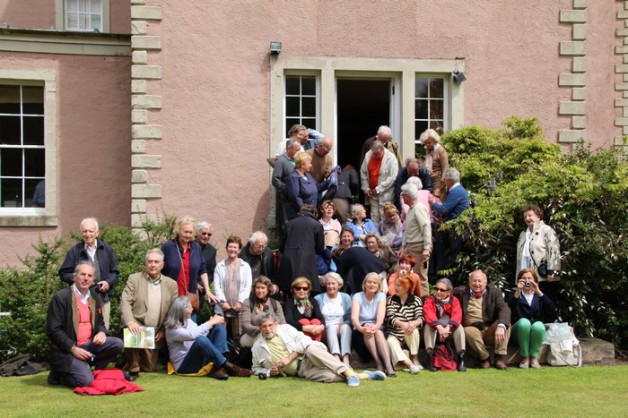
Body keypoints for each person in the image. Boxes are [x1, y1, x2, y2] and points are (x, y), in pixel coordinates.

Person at [252, 312, 385, 385]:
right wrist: (269, 372)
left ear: (276, 324)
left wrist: (288, 359)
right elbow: (255, 368)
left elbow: (304, 340)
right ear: (260, 328)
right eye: (264, 326)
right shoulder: (257, 346)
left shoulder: (285, 329)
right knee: (329, 376)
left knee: (310, 348)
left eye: (270, 325)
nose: (268, 329)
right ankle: (363, 375)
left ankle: (348, 372)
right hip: (301, 372)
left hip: (306, 357)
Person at [47, 261, 123, 387]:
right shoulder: (61, 298)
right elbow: (53, 330)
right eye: (83, 274)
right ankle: (59, 375)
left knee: (117, 344)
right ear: (74, 277)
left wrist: (101, 332)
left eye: (89, 275)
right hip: (68, 351)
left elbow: (100, 322)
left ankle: (91, 368)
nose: (86, 278)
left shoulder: (94, 296)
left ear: (93, 280)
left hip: (89, 346)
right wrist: (73, 348)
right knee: (87, 382)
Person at [119, 248, 178, 380]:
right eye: (150, 261)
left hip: (155, 330)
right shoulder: (134, 279)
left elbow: (173, 311)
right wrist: (130, 322)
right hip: (137, 324)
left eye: (156, 262)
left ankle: (126, 359)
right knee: (133, 335)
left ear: (162, 265)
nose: (152, 265)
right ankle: (133, 368)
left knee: (150, 367)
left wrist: (164, 330)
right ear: (146, 263)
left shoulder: (171, 284)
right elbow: (125, 301)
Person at [164, 296, 252, 379]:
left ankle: (216, 368)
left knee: (220, 328)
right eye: (190, 307)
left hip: (199, 359)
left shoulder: (188, 320)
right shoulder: (172, 329)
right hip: (184, 366)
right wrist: (210, 322)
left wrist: (212, 323)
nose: (192, 308)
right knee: (200, 340)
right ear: (183, 310)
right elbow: (192, 335)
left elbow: (201, 334)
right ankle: (230, 367)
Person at [59, 217, 119, 329]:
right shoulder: (74, 251)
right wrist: (78, 278)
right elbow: (63, 274)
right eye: (85, 231)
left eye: (91, 231)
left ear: (97, 232)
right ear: (81, 232)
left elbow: (115, 272)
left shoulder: (107, 249)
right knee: (82, 328)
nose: (88, 234)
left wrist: (108, 282)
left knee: (102, 329)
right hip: (80, 298)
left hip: (102, 297)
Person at [162, 217, 219, 320]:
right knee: (172, 327)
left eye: (190, 232)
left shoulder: (196, 247)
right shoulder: (168, 247)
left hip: (190, 299)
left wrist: (207, 290)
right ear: (179, 230)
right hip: (171, 298)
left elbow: (203, 269)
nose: (188, 235)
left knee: (190, 328)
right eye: (185, 232)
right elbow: (160, 269)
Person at [454, 270, 511, 369]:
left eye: (479, 281)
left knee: (505, 323)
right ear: (469, 282)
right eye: (474, 281)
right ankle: (485, 358)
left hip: (489, 329)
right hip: (472, 329)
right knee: (467, 331)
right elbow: (444, 291)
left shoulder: (494, 292)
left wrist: (501, 326)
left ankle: (499, 357)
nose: (477, 284)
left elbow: (504, 308)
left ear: (485, 282)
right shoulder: (462, 292)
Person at [509, 268, 557, 369]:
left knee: (538, 325)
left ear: (535, 281)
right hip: (518, 331)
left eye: (529, 278)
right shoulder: (514, 294)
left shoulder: (539, 295)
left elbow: (552, 310)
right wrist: (517, 292)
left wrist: (539, 292)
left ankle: (534, 358)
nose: (527, 281)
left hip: (536, 331)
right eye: (524, 278)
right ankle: (525, 357)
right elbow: (508, 311)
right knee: (524, 323)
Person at [351, 273, 396, 377]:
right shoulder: (357, 296)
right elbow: (354, 318)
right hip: (360, 330)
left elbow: (380, 317)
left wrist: (375, 327)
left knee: (378, 333)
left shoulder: (381, 296)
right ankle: (378, 362)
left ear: (378, 285)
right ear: (364, 284)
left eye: (375, 283)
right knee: (368, 330)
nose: (372, 284)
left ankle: (388, 365)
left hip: (377, 327)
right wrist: (362, 329)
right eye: (369, 282)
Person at [429, 168, 470, 281]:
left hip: (456, 228)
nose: (444, 182)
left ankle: (451, 279)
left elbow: (444, 209)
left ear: (449, 180)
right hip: (454, 227)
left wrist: (433, 203)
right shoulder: (459, 190)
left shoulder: (456, 191)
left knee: (453, 254)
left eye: (445, 180)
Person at [515, 204, 561, 302]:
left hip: (543, 276)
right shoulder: (523, 234)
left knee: (545, 302)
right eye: (525, 217)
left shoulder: (547, 230)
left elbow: (554, 250)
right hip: (525, 274)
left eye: (530, 215)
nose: (527, 218)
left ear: (538, 216)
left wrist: (552, 271)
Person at [213, 235, 252, 346]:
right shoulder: (220, 266)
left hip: (239, 307)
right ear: (226, 248)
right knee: (221, 334)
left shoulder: (245, 266)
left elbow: (247, 287)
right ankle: (221, 355)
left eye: (235, 247)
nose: (232, 249)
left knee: (239, 335)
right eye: (230, 247)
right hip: (223, 307)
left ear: (239, 250)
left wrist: (240, 302)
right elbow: (216, 286)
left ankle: (238, 355)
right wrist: (223, 302)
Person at [278, 204, 325, 294]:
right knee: (306, 289)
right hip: (307, 261)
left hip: (288, 260)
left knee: (288, 289)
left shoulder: (289, 224)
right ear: (314, 213)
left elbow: (282, 246)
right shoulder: (317, 225)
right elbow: (320, 249)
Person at [423, 278, 466, 372]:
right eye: (436, 289)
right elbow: (428, 314)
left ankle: (461, 358)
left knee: (460, 328)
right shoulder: (430, 300)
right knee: (428, 327)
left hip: (448, 330)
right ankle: (430, 358)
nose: (438, 292)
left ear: (449, 292)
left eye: (442, 290)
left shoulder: (454, 300)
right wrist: (439, 327)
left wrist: (447, 328)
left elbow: (457, 315)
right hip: (436, 330)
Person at [385, 274, 423, 374]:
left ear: (407, 287)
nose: (395, 288)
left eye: (399, 285)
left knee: (414, 330)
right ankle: (410, 365)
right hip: (395, 334)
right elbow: (390, 318)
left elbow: (420, 318)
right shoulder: (390, 300)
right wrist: (402, 324)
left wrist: (414, 323)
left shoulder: (416, 300)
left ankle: (415, 359)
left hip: (409, 333)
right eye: (395, 285)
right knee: (390, 341)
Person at [314, 273, 353, 365]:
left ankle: (346, 358)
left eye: (333, 283)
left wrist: (343, 323)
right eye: (328, 283)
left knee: (346, 327)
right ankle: (336, 357)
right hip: (325, 329)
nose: (330, 286)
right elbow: (316, 317)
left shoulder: (345, 297)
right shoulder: (318, 298)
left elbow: (349, 316)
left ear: (339, 285)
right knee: (331, 327)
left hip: (341, 328)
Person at [401, 183, 432, 296]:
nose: (402, 197)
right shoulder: (411, 209)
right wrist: (403, 246)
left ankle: (425, 302)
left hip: (419, 247)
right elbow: (407, 230)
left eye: (403, 195)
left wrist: (426, 248)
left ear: (408, 196)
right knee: (407, 274)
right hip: (410, 246)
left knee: (421, 276)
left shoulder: (419, 208)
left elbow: (426, 227)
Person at [239, 276, 287, 348]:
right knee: (263, 340)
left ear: (268, 289)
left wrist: (266, 311)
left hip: (272, 333)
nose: (260, 290)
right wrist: (262, 329)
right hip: (251, 336)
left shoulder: (275, 303)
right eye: (257, 288)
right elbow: (245, 325)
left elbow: (283, 324)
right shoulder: (248, 302)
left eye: (263, 288)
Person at [360, 140, 399, 224]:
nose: (375, 156)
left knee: (386, 217)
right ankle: (375, 233)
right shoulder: (368, 155)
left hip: (386, 194)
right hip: (372, 194)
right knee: (374, 217)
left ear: (382, 149)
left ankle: (386, 233)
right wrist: (366, 189)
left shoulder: (391, 158)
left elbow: (392, 178)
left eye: (377, 154)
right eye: (374, 154)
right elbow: (363, 173)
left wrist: (378, 189)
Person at [272, 138, 302, 240]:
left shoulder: (297, 161)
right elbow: (275, 180)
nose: (299, 152)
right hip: (286, 200)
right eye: (297, 150)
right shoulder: (282, 161)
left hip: (296, 199)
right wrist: (287, 189)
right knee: (287, 223)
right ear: (289, 149)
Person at [285, 151, 330, 221]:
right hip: (299, 217)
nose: (311, 165)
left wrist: (330, 181)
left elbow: (317, 187)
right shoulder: (294, 178)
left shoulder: (308, 176)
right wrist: (305, 212)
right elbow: (295, 198)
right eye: (309, 163)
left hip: (311, 215)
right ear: (302, 165)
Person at [283, 277, 325, 341]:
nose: (302, 291)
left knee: (316, 321)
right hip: (296, 332)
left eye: (305, 288)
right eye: (298, 288)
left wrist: (322, 326)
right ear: (294, 289)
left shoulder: (312, 301)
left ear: (308, 290)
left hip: (313, 331)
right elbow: (289, 320)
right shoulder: (289, 302)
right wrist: (304, 327)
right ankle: (305, 345)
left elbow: (320, 317)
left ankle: (316, 344)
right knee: (304, 321)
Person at [239, 231, 279, 295]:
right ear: (251, 243)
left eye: (263, 246)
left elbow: (273, 272)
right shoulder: (242, 256)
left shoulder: (268, 253)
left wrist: (274, 284)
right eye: (258, 246)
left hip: (263, 290)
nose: (261, 249)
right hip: (247, 290)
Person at [420, 129, 449, 198]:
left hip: (438, 183)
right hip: (429, 181)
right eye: (425, 143)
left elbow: (445, 170)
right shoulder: (429, 150)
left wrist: (440, 187)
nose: (427, 145)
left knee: (438, 202)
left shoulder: (441, 151)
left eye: (429, 143)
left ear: (435, 141)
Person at [195, 221, 217, 312]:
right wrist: (194, 283)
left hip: (200, 291)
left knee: (194, 316)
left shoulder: (212, 250)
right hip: (185, 288)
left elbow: (211, 273)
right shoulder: (189, 246)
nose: (206, 236)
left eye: (209, 234)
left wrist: (202, 284)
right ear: (197, 233)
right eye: (204, 233)